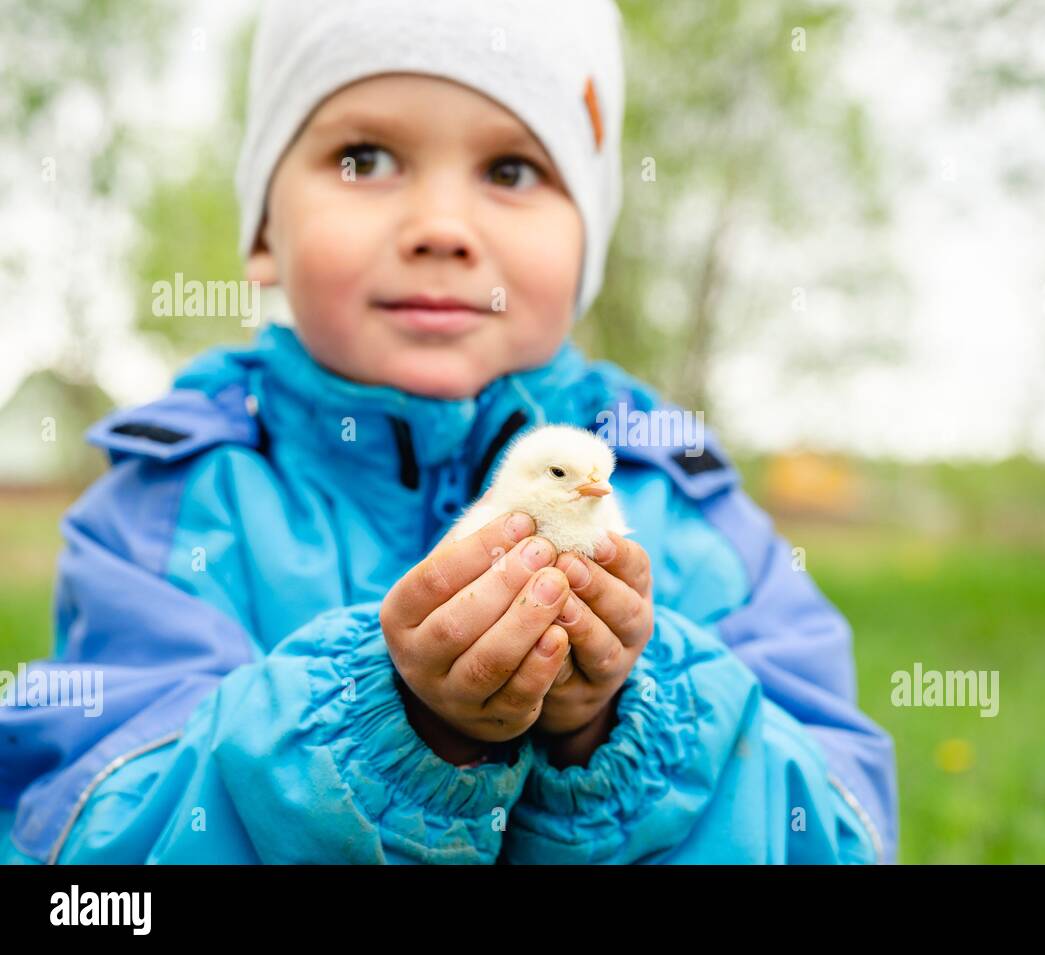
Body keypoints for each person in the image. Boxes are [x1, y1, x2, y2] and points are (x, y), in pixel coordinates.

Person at [0, 0, 896, 864]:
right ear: (264, 229)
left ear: (588, 242)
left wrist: (610, 727)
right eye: (363, 158)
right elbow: (80, 835)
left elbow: (840, 826)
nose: (440, 227)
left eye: (510, 171)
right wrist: (392, 730)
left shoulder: (682, 508)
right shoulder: (174, 507)